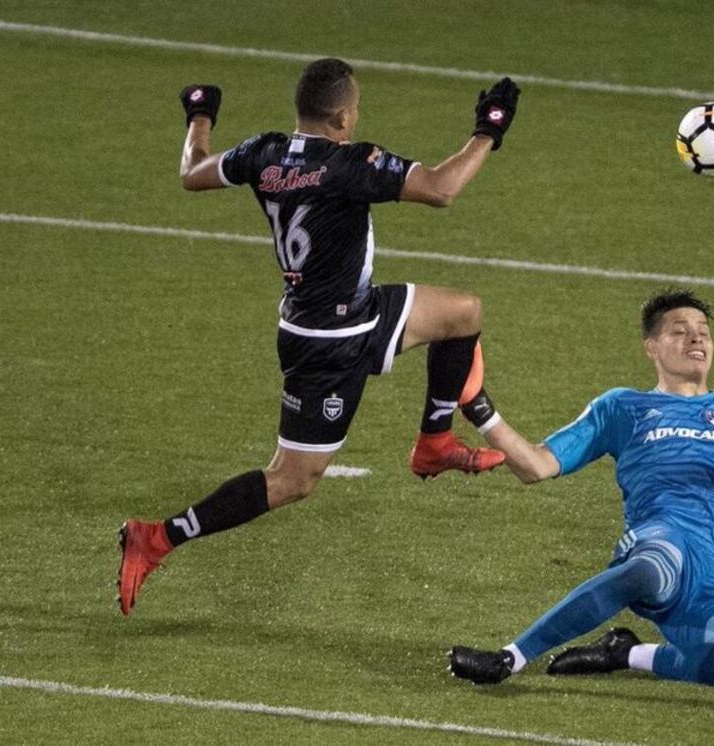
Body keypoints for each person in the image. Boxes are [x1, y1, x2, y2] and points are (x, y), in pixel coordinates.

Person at [117, 58, 521, 616]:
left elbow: (192, 171)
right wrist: (489, 129)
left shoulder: (264, 153)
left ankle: (434, 444)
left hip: (356, 313)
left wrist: (200, 113)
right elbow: (442, 188)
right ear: (343, 118)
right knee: (292, 481)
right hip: (326, 344)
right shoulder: (349, 164)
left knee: (462, 313)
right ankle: (156, 538)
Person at [447, 289, 714, 687]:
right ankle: (511, 657)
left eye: (703, 331)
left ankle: (628, 653)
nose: (696, 338)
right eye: (680, 331)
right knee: (650, 567)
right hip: (659, 537)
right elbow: (536, 465)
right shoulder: (623, 407)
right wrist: (480, 410)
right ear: (652, 347)